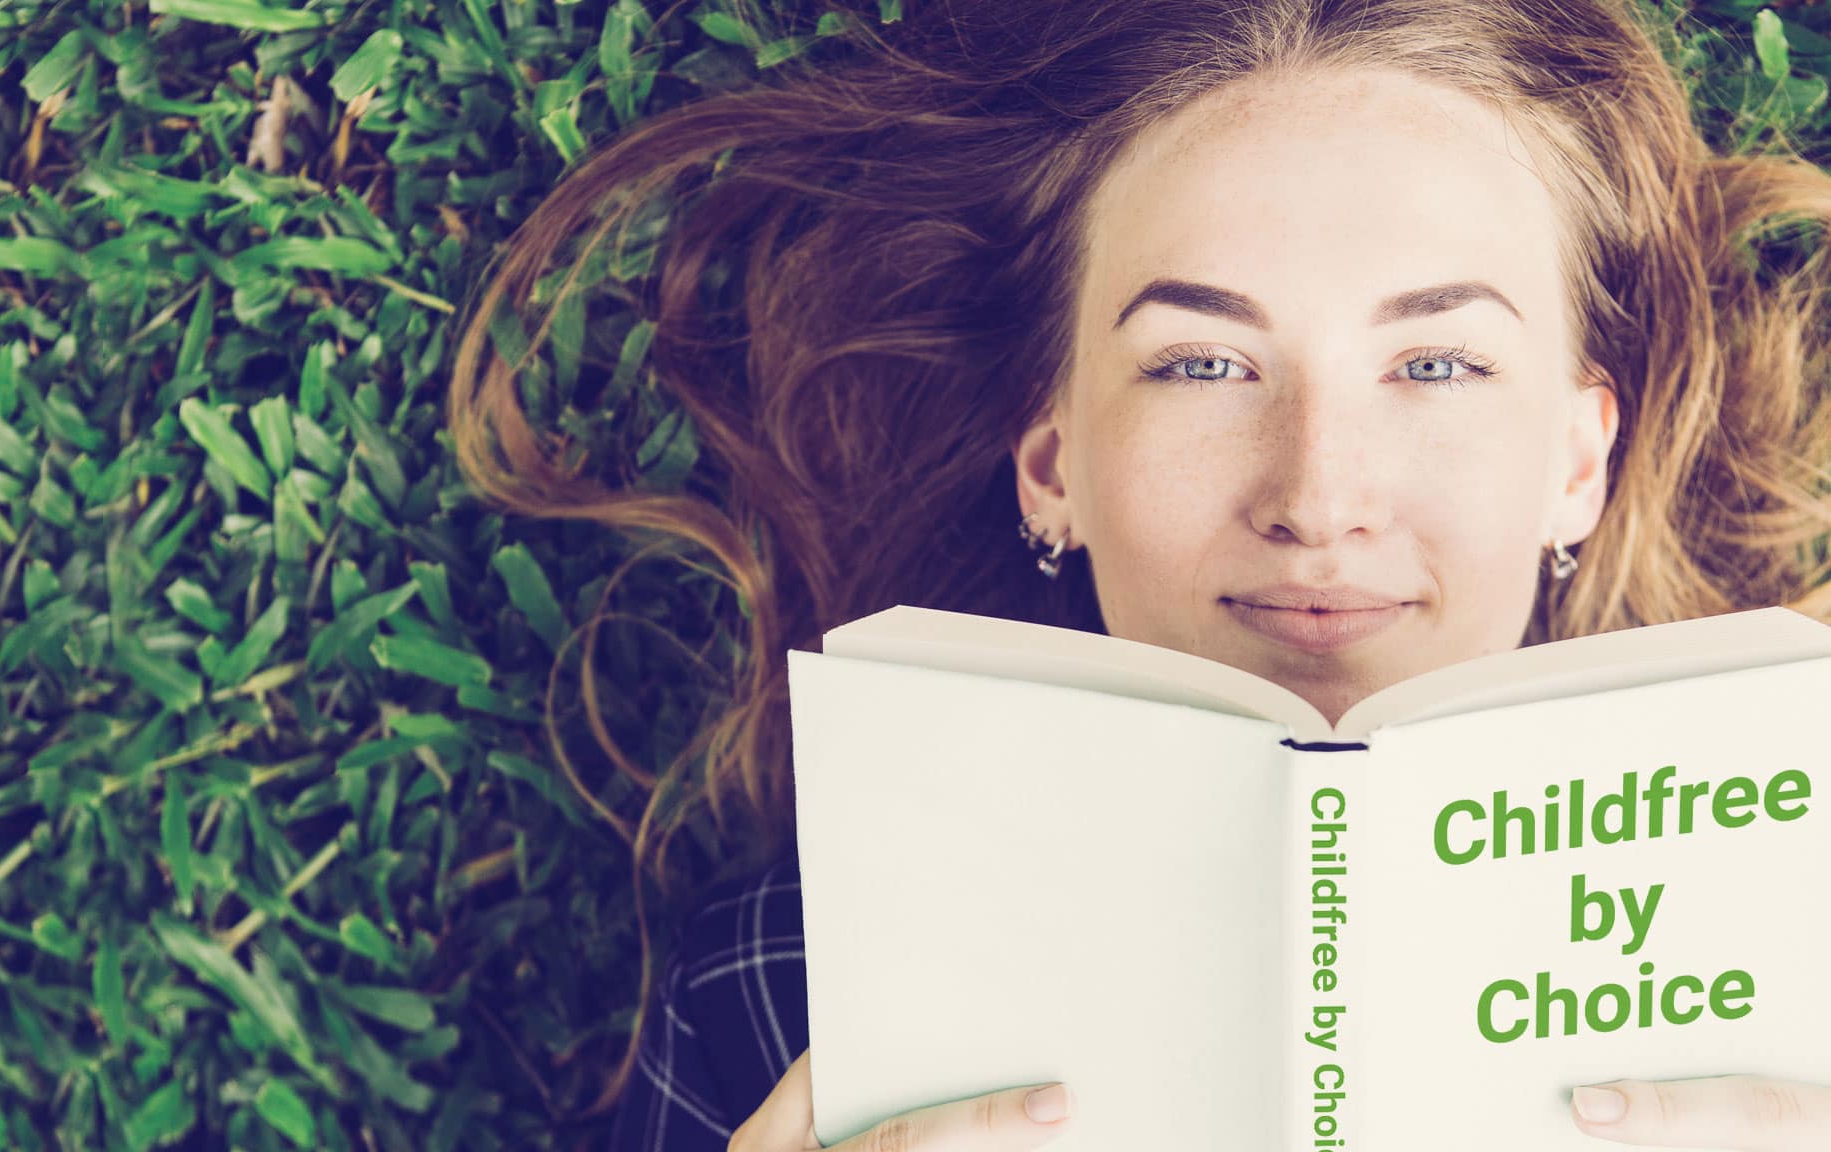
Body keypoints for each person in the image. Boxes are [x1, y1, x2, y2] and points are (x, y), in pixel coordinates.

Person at [448, 0, 1831, 1148]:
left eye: (1437, 364)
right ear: (1052, 461)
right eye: (1202, 363)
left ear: (1578, 460)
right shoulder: (791, 984)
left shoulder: (1799, 943)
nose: (1318, 497)